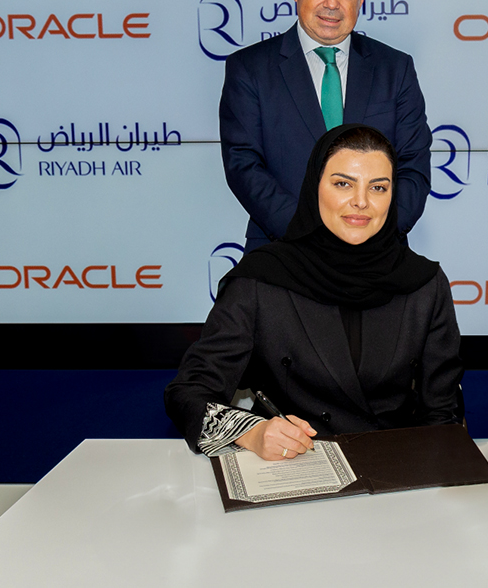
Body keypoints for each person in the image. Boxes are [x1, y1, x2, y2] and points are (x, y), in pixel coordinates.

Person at [165, 124, 462, 460]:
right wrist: (252, 432)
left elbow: (443, 415)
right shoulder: (260, 280)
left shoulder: (424, 284)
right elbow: (188, 393)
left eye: (378, 187)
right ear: (313, 186)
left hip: (394, 469)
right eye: (343, 184)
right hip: (292, 469)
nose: (361, 201)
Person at [220, 0, 432, 252]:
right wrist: (310, 236)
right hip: (283, 255)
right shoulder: (250, 69)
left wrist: (371, 238)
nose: (332, 3)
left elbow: (413, 167)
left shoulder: (395, 69)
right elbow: (244, 167)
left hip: (377, 260)